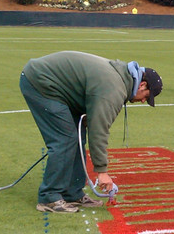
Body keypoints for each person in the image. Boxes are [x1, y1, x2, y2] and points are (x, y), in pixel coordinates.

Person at [19, 51, 163, 213]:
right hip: (41, 81)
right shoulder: (114, 89)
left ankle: (72, 193)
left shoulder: (120, 78)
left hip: (55, 84)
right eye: (146, 96)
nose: (143, 101)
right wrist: (102, 172)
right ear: (142, 85)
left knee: (77, 137)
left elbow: (92, 111)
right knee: (65, 139)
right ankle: (49, 198)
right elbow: (99, 131)